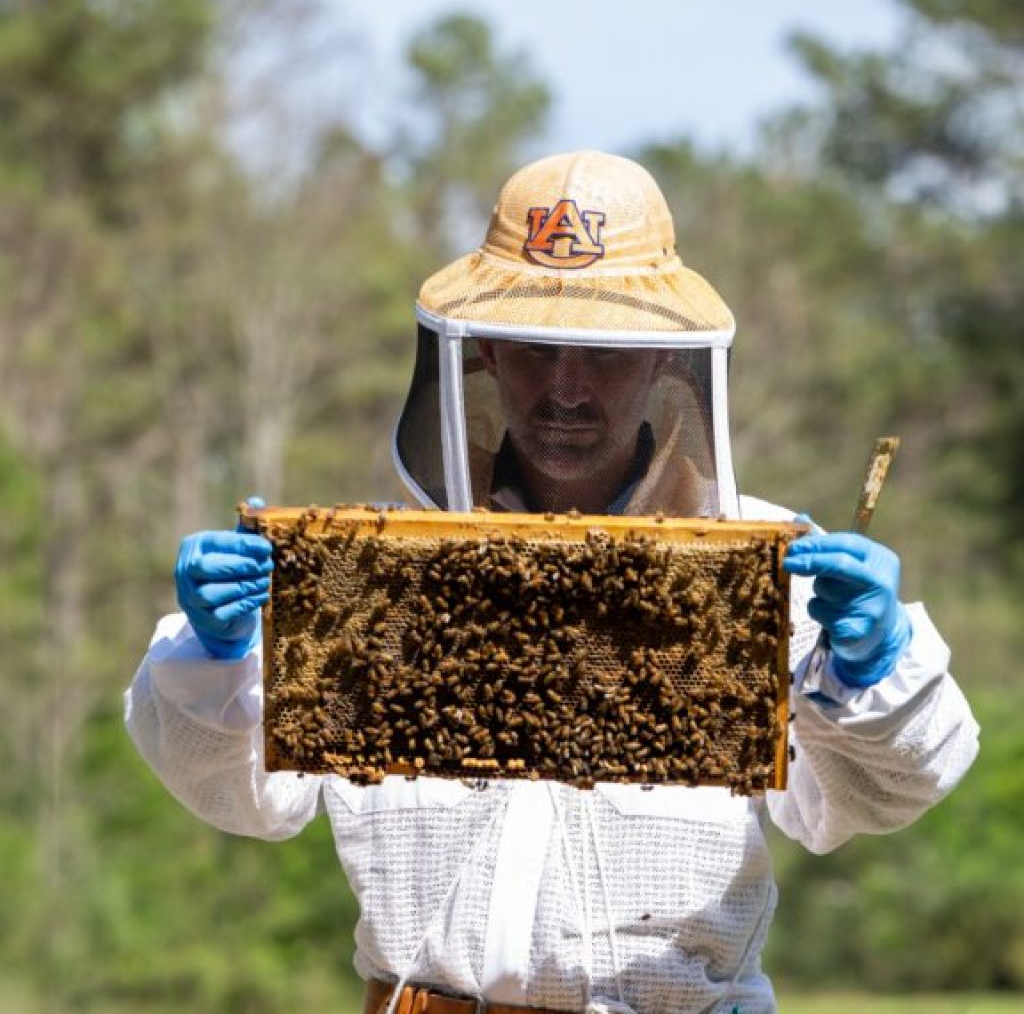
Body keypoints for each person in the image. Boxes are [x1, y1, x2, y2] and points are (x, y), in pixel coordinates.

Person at [126, 151, 979, 1014]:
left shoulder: (758, 570)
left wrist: (873, 670)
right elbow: (246, 798)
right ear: (486, 353)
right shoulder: (377, 574)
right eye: (537, 349)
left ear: (661, 363)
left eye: (603, 354)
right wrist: (215, 658)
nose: (566, 388)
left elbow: (873, 797)